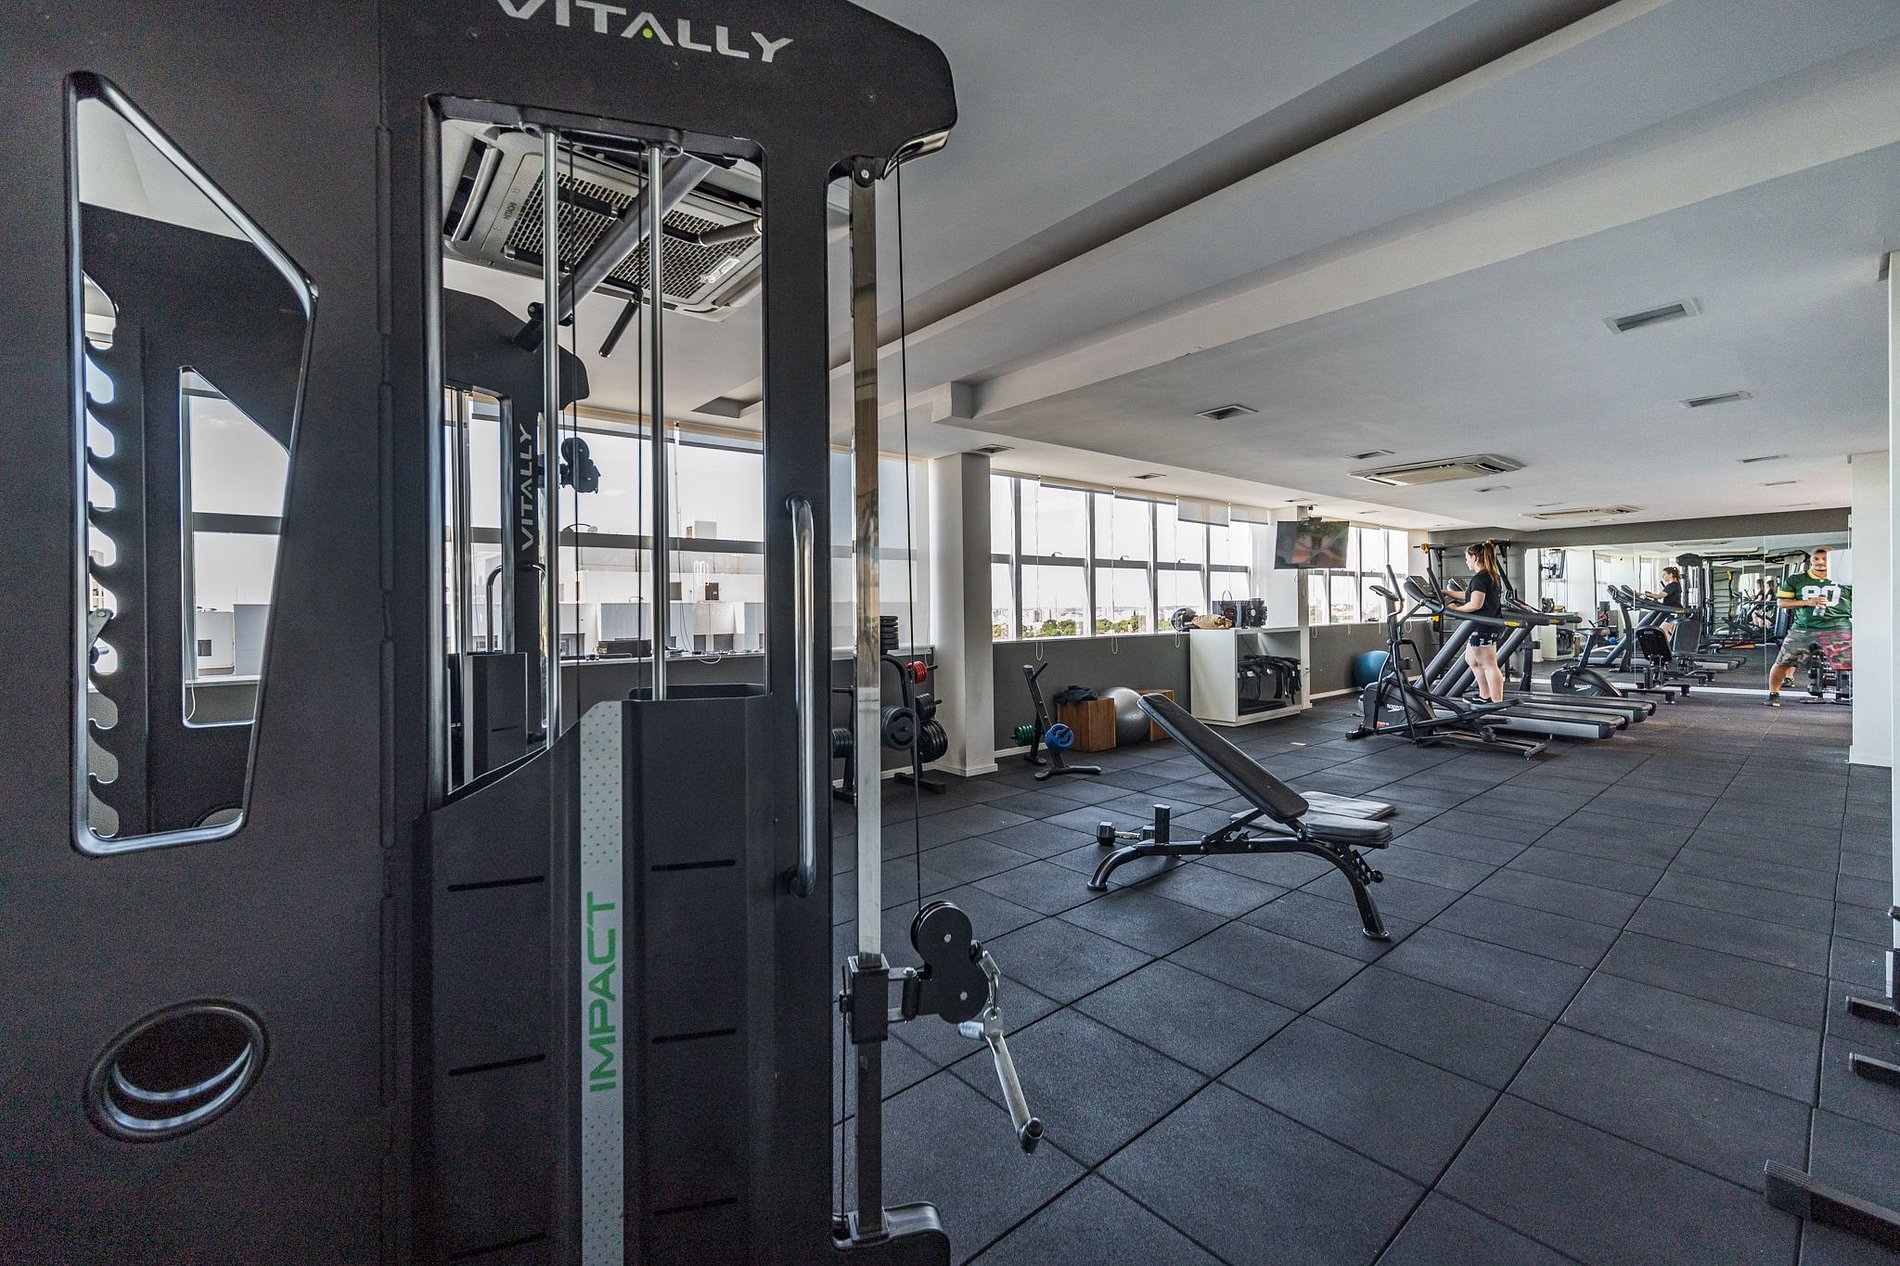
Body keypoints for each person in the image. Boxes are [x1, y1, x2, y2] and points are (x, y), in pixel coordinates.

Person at [1767, 546, 1852, 706]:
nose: (1820, 562)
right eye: (1816, 558)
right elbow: (1782, 603)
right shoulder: (1796, 579)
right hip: (1803, 628)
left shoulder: (1847, 579)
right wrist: (1807, 602)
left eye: (1825, 559)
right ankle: (1773, 694)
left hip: (1838, 626)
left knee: (1850, 664)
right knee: (1783, 662)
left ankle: (1850, 695)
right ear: (1811, 560)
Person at [1445, 542, 1507, 704]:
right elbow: (1470, 595)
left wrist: (1455, 609)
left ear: (1473, 557)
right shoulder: (1490, 576)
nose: (1466, 561)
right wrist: (1445, 592)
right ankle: (1484, 695)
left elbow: (1475, 604)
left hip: (1482, 626)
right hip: (1486, 625)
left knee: (1489, 664)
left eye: (1467, 558)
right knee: (1471, 659)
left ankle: (1496, 701)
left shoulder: (1479, 578)